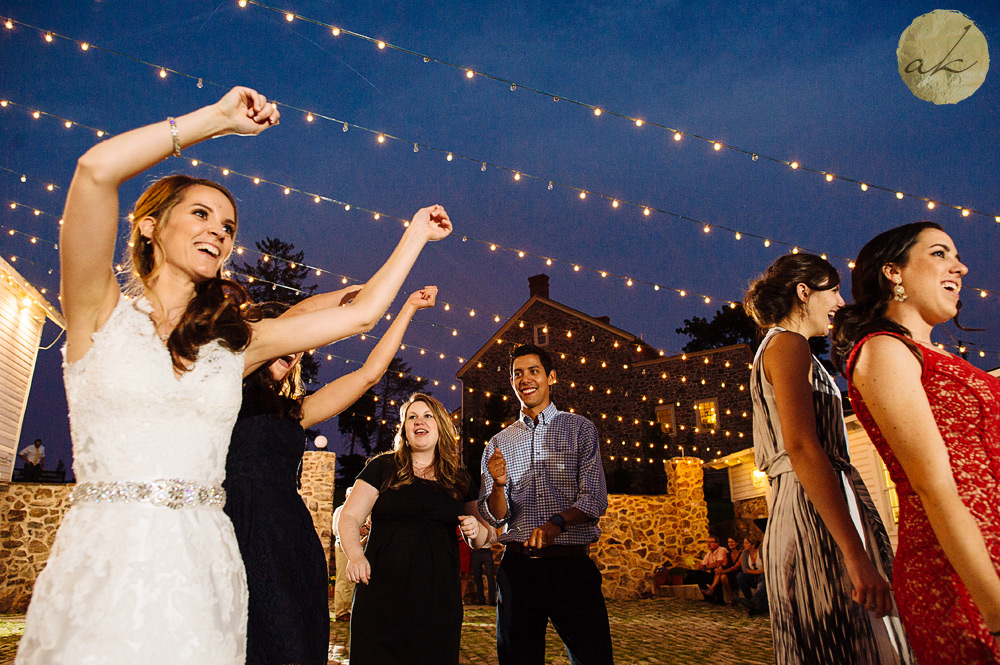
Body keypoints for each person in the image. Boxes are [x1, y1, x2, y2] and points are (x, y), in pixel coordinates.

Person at [14, 86, 452, 665]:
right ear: (149, 226)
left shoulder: (239, 346)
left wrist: (415, 234)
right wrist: (216, 121)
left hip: (205, 561)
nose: (219, 231)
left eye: (228, 225)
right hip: (104, 560)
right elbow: (94, 171)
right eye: (201, 214)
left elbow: (362, 315)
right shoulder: (97, 313)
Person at [224, 287, 438, 665]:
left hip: (290, 540)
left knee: (294, 644)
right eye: (289, 338)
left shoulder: (296, 412)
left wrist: (406, 307)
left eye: (300, 346)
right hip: (236, 534)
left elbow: (368, 375)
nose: (295, 350)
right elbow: (298, 317)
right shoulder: (222, 388)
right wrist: (353, 298)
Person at [831, 221, 1000, 663]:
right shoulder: (884, 349)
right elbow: (935, 486)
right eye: (941, 253)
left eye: (957, 257)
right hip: (960, 569)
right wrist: (997, 613)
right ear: (894, 272)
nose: (960, 267)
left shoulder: (945, 357)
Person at [744, 253, 911, 664]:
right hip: (811, 511)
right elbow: (801, 446)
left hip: (806, 503)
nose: (839, 302)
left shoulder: (787, 349)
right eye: (832, 290)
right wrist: (856, 557)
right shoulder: (788, 344)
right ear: (804, 292)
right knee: (843, 639)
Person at [479, 344, 613, 665]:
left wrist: (556, 523)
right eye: (517, 374)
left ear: (551, 377)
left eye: (533, 371)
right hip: (518, 571)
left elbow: (594, 498)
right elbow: (497, 516)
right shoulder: (498, 443)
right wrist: (498, 486)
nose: (525, 379)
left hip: (571, 568)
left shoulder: (580, 429)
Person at [338, 393, 494, 665]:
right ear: (404, 428)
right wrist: (355, 555)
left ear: (441, 426)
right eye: (412, 417)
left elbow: (485, 537)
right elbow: (349, 517)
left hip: (437, 602)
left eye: (427, 416)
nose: (419, 421)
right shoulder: (382, 467)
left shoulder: (459, 479)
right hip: (381, 598)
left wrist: (475, 530)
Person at [736, 537, 765, 606]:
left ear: (753, 545)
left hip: (762, 577)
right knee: (740, 576)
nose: (744, 545)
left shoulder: (761, 551)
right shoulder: (745, 553)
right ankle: (749, 599)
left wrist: (757, 572)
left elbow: (766, 568)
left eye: (746, 543)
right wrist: (757, 572)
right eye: (744, 543)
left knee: (763, 577)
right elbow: (744, 569)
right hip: (752, 577)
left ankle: (754, 602)